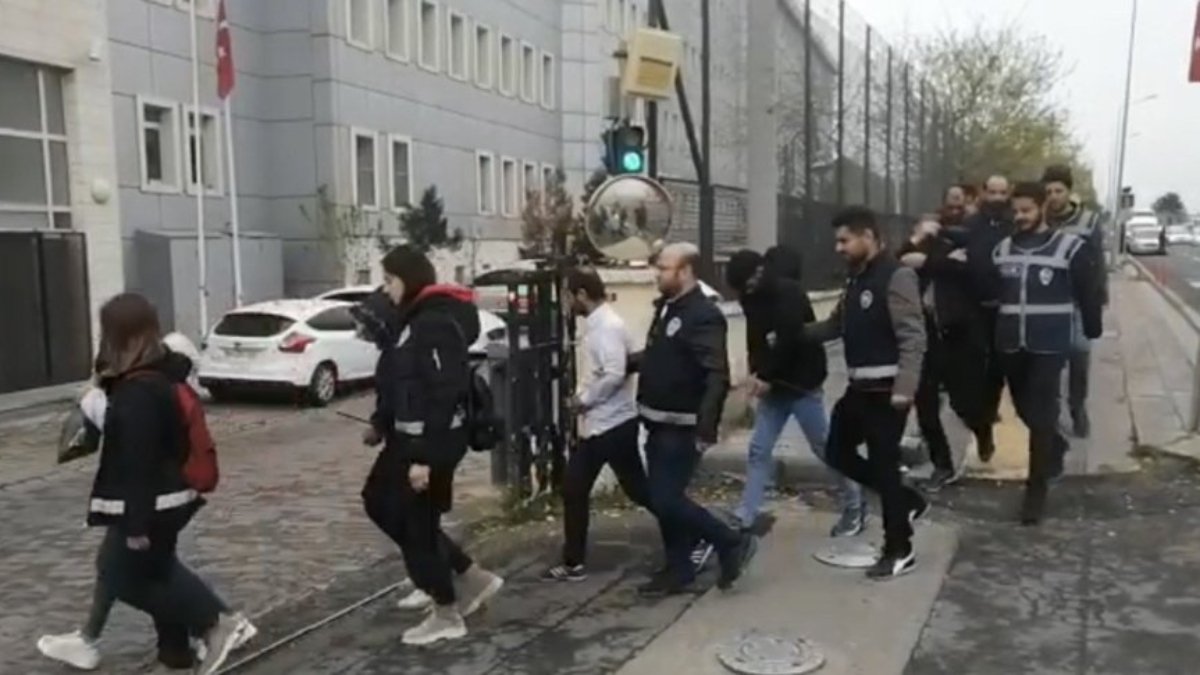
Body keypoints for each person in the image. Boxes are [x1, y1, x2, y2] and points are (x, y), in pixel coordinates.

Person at [37, 293, 252, 675]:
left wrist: (136, 524)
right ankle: (176, 652)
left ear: (124, 337)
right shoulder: (157, 374)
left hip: (153, 505)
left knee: (130, 579)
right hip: (169, 499)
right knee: (148, 570)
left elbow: (136, 462)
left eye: (109, 334)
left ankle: (217, 622)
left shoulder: (139, 392)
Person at [359, 246, 504, 645]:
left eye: (390, 280)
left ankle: (446, 610)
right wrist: (381, 423)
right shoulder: (411, 320)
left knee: (416, 523)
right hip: (407, 439)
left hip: (431, 442)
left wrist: (424, 458)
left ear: (408, 279)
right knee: (379, 502)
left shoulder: (433, 322)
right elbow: (401, 383)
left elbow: (443, 394)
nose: (385, 289)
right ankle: (470, 577)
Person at [800, 207, 929, 580]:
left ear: (868, 237)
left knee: (885, 467)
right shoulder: (855, 279)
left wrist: (905, 389)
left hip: (888, 393)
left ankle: (900, 549)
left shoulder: (896, 276)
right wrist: (793, 334)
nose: (838, 248)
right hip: (859, 390)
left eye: (845, 240)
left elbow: (913, 337)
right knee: (836, 451)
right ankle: (906, 501)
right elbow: (835, 326)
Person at [636, 242, 756, 597]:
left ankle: (729, 541)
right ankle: (679, 568)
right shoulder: (668, 307)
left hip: (682, 426)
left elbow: (716, 374)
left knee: (666, 500)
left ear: (685, 271)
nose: (658, 274)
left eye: (664, 268)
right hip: (657, 422)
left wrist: (707, 426)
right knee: (664, 501)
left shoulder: (703, 314)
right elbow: (662, 355)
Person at [724, 249, 867, 536]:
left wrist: (766, 376)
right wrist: (755, 372)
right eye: (743, 288)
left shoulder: (788, 294)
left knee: (824, 447)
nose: (747, 291)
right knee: (759, 449)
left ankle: (855, 501)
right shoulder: (751, 298)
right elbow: (756, 339)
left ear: (759, 272)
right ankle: (746, 514)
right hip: (774, 389)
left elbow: (789, 340)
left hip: (802, 385)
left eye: (749, 284)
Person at [990, 182, 1102, 524]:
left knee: (1040, 414)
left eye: (1026, 210)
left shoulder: (1069, 248)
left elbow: (1089, 289)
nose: (1019, 217)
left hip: (1050, 345)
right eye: (1016, 211)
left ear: (1041, 208)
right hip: (1011, 344)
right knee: (1023, 409)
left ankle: (1035, 494)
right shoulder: (1002, 249)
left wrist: (1092, 327)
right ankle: (1056, 443)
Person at [540, 268, 652, 582]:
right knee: (636, 490)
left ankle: (573, 562)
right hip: (607, 424)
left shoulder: (607, 327)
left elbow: (614, 373)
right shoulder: (598, 325)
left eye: (568, 296)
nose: (566, 303)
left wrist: (584, 400)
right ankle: (691, 530)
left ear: (582, 295)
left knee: (577, 487)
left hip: (610, 424)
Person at [899, 213, 995, 491]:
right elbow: (893, 264)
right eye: (922, 226)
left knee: (965, 404)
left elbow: (972, 270)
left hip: (957, 339)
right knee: (926, 409)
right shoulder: (910, 253)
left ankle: (982, 430)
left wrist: (929, 261)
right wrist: (915, 241)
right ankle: (942, 465)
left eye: (933, 226)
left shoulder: (956, 248)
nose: (929, 230)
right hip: (924, 342)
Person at [954, 175, 1016, 462]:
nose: (997, 198)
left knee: (996, 373)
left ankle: (986, 425)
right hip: (973, 309)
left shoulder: (1015, 224)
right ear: (983, 193)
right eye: (992, 192)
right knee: (970, 374)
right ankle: (978, 423)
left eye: (1002, 193)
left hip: (1006, 309)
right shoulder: (971, 225)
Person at [1043, 165, 1107, 438]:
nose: (1053, 196)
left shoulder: (1089, 221)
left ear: (1069, 192)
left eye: (1058, 190)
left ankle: (1077, 407)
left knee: (1079, 355)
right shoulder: (1041, 219)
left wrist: (1099, 296)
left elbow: (1098, 262)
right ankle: (1052, 412)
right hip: (1049, 302)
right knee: (1050, 361)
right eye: (1048, 192)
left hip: (1080, 301)